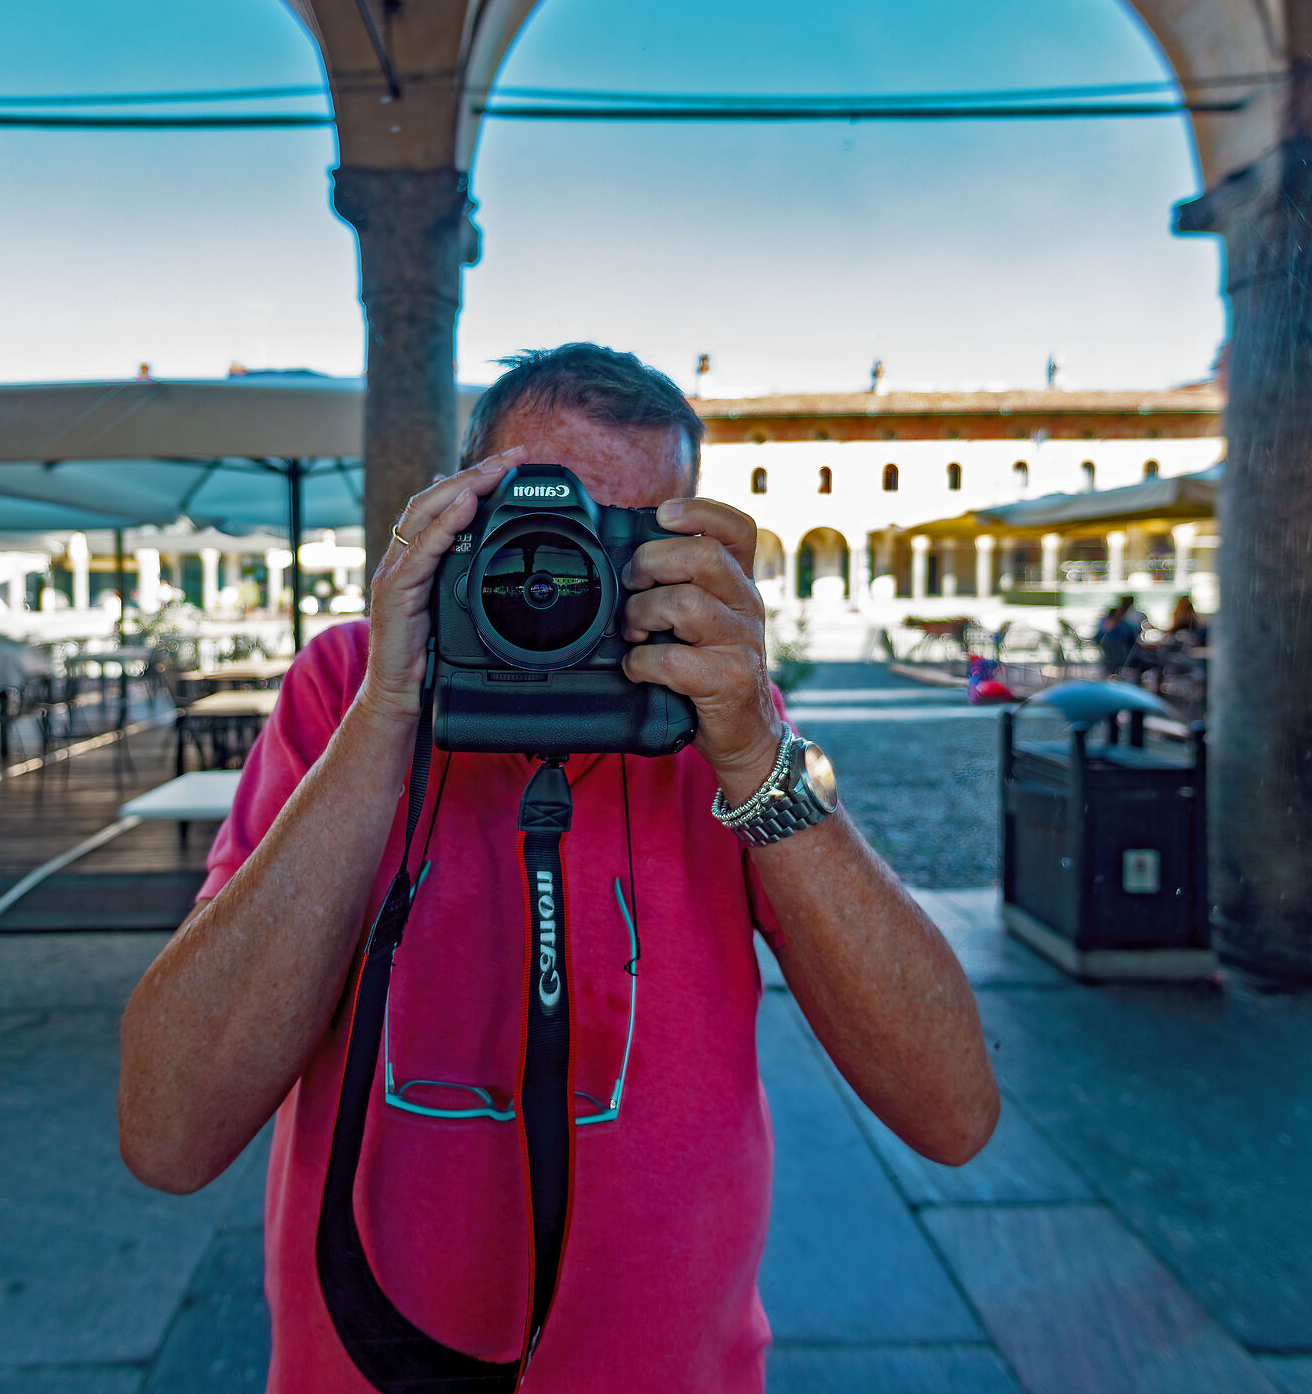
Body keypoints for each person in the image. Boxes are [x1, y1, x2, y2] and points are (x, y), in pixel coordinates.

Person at [117, 344, 998, 1390]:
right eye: (528, 532)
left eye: (612, 548)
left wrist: (757, 751)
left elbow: (952, 1112)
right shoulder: (350, 686)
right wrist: (390, 711)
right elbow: (170, 1132)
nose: (556, 578)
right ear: (450, 517)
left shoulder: (702, 718)